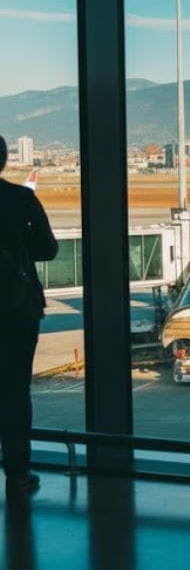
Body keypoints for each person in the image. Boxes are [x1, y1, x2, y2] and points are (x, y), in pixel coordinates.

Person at [0, 135, 59, 498]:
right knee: (15, 392)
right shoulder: (21, 199)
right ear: (5, 160)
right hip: (16, 308)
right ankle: (18, 473)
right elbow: (49, 249)